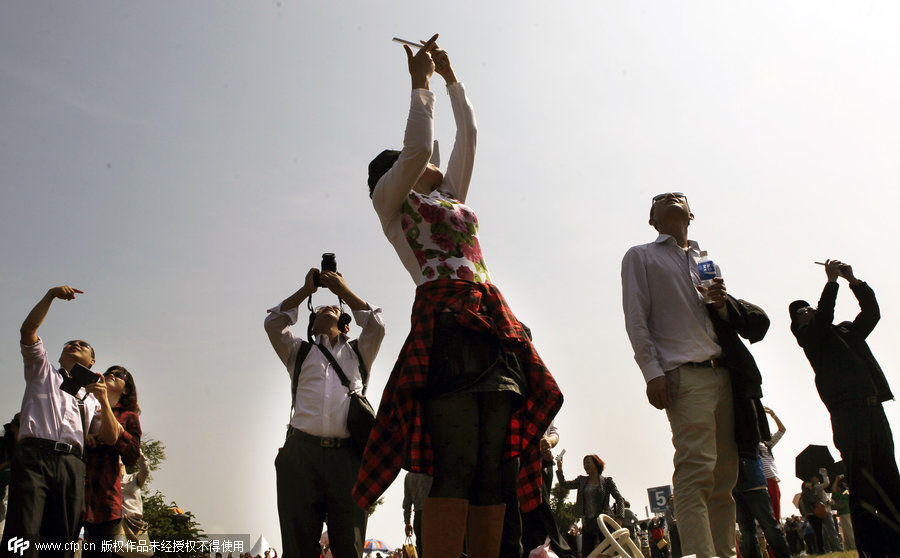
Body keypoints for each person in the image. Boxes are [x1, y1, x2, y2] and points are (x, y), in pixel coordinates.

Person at [356, 33, 562, 558]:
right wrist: (419, 83)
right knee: (458, 463)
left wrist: (451, 78)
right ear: (392, 175)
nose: (430, 163)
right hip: (443, 319)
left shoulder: (450, 197)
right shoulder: (391, 204)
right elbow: (421, 147)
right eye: (410, 162)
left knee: (495, 465)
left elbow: (469, 132)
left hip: (491, 317)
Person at [621, 193, 771, 558]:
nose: (669, 199)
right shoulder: (641, 255)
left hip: (724, 374)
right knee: (695, 472)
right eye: (660, 200)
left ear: (691, 213)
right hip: (683, 375)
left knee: (724, 478)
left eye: (679, 198)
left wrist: (721, 304)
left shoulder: (705, 260)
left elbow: (717, 321)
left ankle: (725, 552)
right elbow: (636, 319)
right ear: (652, 220)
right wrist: (652, 372)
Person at [265, 268, 385, 558]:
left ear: (346, 326)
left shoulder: (359, 352)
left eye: (334, 308)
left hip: (346, 459)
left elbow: (377, 326)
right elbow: (273, 323)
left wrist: (343, 291)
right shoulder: (299, 352)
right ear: (311, 326)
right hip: (300, 455)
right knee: (298, 547)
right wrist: (306, 291)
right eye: (320, 309)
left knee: (350, 546)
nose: (328, 308)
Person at [790, 258, 900, 557]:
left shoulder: (846, 331)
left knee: (890, 476)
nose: (809, 311)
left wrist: (854, 281)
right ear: (797, 325)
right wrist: (831, 282)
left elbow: (872, 313)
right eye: (802, 312)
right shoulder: (811, 338)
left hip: (873, 408)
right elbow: (824, 317)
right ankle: (871, 550)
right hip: (847, 414)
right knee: (862, 482)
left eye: (809, 307)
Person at [2, 286, 118, 558]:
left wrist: (102, 400)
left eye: (84, 345)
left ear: (93, 361)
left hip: (72, 464)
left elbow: (111, 438)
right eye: (70, 343)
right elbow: (27, 331)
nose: (76, 344)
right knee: (23, 533)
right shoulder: (42, 370)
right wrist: (50, 296)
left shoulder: (90, 399)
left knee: (62, 537)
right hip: (35, 458)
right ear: (60, 354)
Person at [81, 365, 142, 557]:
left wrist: (118, 431)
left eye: (119, 375)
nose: (112, 376)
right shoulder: (85, 406)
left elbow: (132, 457)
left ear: (126, 390)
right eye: (109, 372)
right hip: (74, 487)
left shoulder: (128, 417)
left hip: (104, 497)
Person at [555, 454, 624, 558]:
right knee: (588, 555)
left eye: (588, 462)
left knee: (609, 552)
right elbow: (564, 484)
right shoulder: (581, 481)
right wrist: (559, 468)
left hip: (604, 523)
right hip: (588, 524)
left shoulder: (607, 481)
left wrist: (619, 517)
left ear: (596, 464)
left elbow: (619, 499)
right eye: (584, 463)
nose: (585, 465)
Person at [732, 451, 791, 558]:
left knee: (769, 525)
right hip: (735, 484)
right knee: (746, 530)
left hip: (753, 480)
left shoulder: (756, 441)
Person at [758, 406, 785, 522]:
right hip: (761, 480)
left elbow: (782, 430)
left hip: (772, 479)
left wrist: (773, 414)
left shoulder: (767, 444)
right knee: (764, 513)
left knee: (775, 511)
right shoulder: (751, 443)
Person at [402, 471, 432, 558]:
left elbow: (407, 502)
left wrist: (407, 522)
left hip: (418, 517)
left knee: (422, 551)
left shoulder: (409, 476)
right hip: (434, 513)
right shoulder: (432, 470)